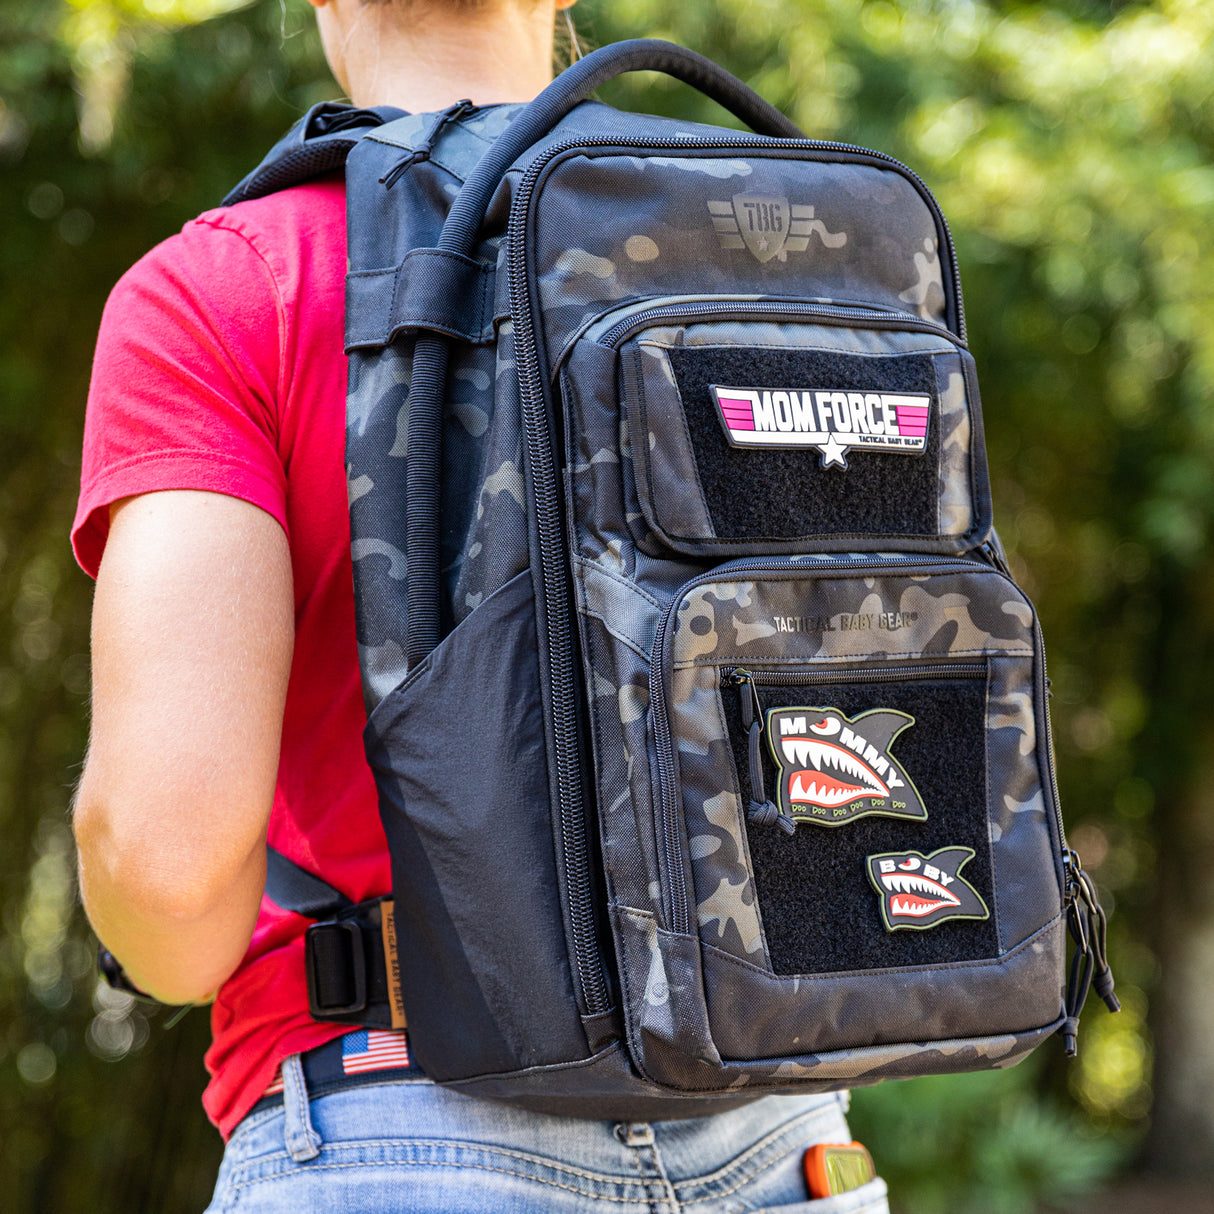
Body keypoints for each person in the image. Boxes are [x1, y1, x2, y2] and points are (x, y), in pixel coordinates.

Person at [72, 0, 889, 1209]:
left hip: (400, 1111)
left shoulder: (228, 287)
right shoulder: (787, 246)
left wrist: (150, 934)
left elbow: (169, 860)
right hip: (785, 1120)